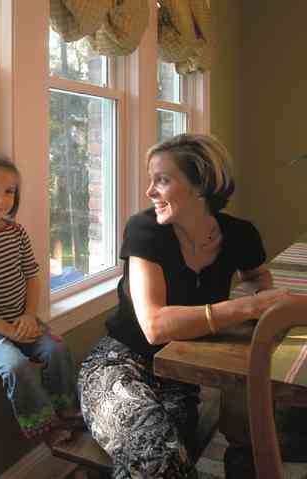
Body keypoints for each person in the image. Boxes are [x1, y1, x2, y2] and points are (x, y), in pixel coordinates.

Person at [78, 133, 289, 478]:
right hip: (118, 363)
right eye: (151, 180)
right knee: (156, 456)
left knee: (170, 458)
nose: (150, 192)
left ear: (200, 184)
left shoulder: (239, 234)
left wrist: (255, 296)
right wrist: (245, 309)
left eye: (162, 180)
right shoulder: (145, 230)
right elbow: (155, 326)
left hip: (178, 374)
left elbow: (258, 278)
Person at [0, 152, 81, 447]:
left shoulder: (15, 232)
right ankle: (45, 425)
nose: (1, 199)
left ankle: (66, 407)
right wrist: (8, 332)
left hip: (21, 318)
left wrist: (29, 315)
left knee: (56, 349)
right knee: (16, 366)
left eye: (9, 191)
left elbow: (32, 277)